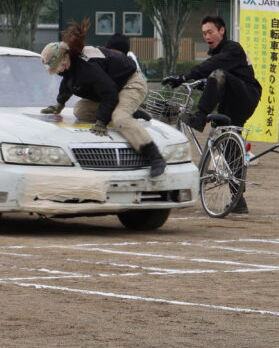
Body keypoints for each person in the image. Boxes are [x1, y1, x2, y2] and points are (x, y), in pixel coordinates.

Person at [40, 20, 166, 177]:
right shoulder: (71, 64)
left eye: (58, 66)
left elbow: (110, 94)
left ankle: (155, 157)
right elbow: (68, 83)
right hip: (113, 87)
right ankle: (130, 112)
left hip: (131, 83)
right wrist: (59, 105)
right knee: (80, 110)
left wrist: (101, 122)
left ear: (65, 57)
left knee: (119, 118)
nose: (58, 71)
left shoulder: (88, 67)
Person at [162, 15, 261, 213]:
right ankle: (238, 199)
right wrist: (201, 82)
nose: (207, 36)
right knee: (229, 147)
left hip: (246, 96)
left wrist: (184, 77)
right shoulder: (220, 54)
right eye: (204, 33)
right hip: (230, 101)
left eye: (210, 32)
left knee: (217, 73)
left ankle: (199, 117)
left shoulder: (232, 48)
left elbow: (216, 68)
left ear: (222, 31)